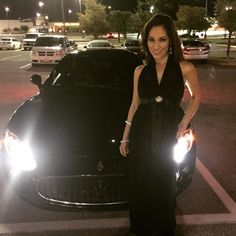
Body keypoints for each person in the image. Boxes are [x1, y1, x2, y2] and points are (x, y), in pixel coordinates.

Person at [119, 14, 201, 236]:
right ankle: (142, 228)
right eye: (151, 40)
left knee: (164, 182)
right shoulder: (139, 71)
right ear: (145, 42)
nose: (156, 46)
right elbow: (135, 104)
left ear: (171, 41)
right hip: (142, 133)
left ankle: (163, 228)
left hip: (167, 134)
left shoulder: (185, 68)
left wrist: (183, 124)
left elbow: (196, 98)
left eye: (162, 40)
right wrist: (126, 135)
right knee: (141, 182)